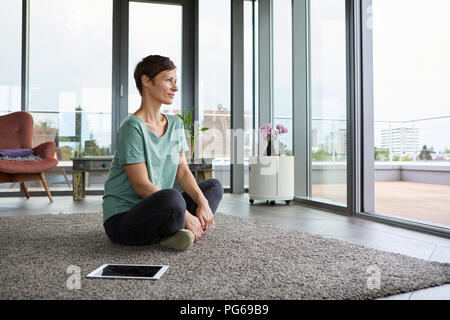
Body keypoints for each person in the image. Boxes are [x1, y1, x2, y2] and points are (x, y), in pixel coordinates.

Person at [102, 55, 223, 250]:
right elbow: (141, 186)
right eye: (168, 80)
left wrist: (202, 203)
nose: (175, 87)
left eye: (176, 81)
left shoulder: (175, 123)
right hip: (124, 220)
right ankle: (178, 228)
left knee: (213, 187)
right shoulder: (132, 127)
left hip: (161, 207)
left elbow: (182, 170)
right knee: (172, 197)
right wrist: (186, 214)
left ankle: (173, 233)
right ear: (146, 81)